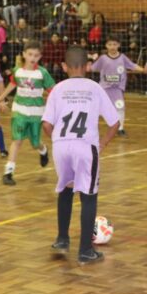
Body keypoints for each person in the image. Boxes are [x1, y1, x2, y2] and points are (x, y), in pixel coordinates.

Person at [42, 46, 120, 264]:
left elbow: (47, 125)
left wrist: (58, 141)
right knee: (88, 195)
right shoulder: (95, 88)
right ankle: (86, 251)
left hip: (61, 146)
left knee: (66, 189)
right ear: (88, 66)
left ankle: (62, 239)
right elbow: (115, 123)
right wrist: (102, 143)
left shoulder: (57, 89)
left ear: (64, 67)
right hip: (86, 147)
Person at [0, 41, 56, 185]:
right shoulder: (17, 70)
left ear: (40, 56)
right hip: (19, 110)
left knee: (35, 143)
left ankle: (43, 150)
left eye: (36, 55)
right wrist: (1, 97)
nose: (32, 58)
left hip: (36, 112)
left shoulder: (42, 73)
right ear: (24, 55)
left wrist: (56, 107)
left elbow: (52, 91)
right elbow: (13, 83)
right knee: (17, 140)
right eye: (30, 54)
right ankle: (8, 172)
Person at [90, 35, 147, 136]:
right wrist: (85, 63)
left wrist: (143, 70)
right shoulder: (103, 58)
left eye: (114, 44)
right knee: (96, 108)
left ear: (119, 45)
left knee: (120, 108)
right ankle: (89, 128)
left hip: (117, 90)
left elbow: (133, 65)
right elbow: (92, 68)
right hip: (104, 89)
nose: (112, 47)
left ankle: (120, 129)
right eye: (110, 44)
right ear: (106, 46)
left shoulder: (122, 57)